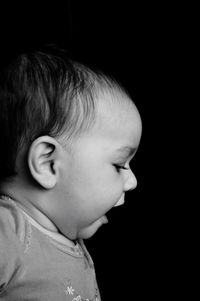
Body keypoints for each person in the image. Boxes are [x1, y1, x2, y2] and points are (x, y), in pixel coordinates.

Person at [0, 45, 142, 301]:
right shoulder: (8, 233)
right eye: (120, 165)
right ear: (48, 163)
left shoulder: (62, 234)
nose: (132, 182)